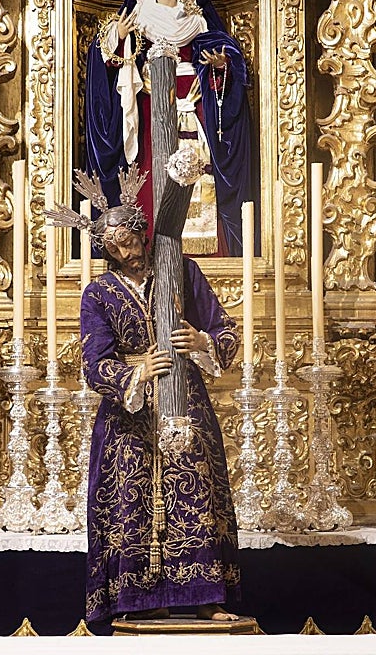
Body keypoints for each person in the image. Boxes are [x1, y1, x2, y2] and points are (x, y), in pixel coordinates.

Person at [78, 200, 241, 623]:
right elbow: (94, 363)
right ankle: (136, 601)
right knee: (129, 505)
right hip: (127, 421)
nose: (126, 254)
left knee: (196, 492)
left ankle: (204, 596)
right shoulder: (98, 294)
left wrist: (201, 341)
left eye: (130, 242)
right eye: (114, 249)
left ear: (142, 233)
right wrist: (139, 370)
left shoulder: (182, 272)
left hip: (186, 403)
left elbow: (225, 330)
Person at [85, 0, 253, 256]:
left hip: (195, 107)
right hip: (151, 108)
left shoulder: (199, 20)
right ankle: (153, 255)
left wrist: (221, 65)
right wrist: (116, 39)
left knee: (199, 172)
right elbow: (107, 69)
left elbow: (227, 62)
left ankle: (204, 256)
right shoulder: (135, 19)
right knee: (151, 174)